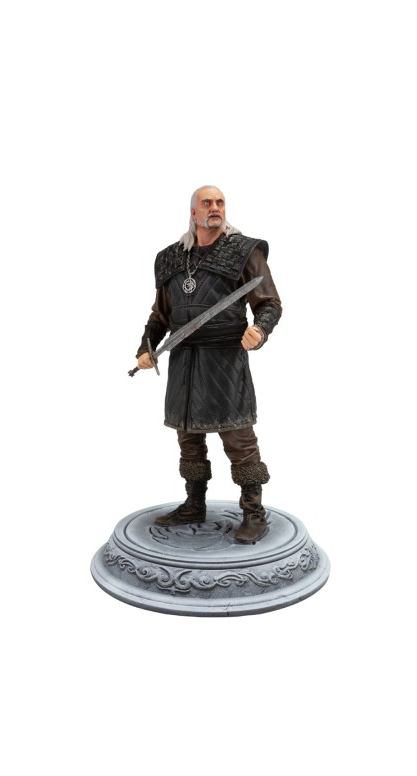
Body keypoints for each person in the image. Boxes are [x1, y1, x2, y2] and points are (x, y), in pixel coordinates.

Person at [135, 185, 282, 543]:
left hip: (224, 359)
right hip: (184, 358)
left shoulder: (244, 251)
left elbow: (269, 303)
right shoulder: (171, 258)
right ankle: (194, 504)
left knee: (239, 439)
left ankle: (254, 512)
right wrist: (146, 347)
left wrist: (259, 330)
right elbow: (160, 314)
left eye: (220, 202)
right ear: (193, 212)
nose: (215, 207)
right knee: (189, 438)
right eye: (207, 203)